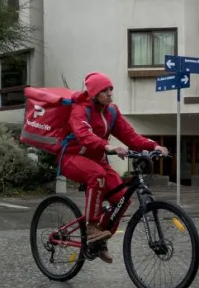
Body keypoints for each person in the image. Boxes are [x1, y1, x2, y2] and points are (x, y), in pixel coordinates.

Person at [60, 72, 169, 264]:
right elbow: (84, 135)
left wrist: (153, 146)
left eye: (111, 89)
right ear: (94, 93)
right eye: (104, 90)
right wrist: (108, 146)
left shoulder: (111, 112)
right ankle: (92, 227)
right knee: (97, 175)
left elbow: (131, 136)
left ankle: (98, 241)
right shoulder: (80, 110)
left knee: (122, 199)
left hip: (98, 159)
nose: (110, 93)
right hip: (73, 157)